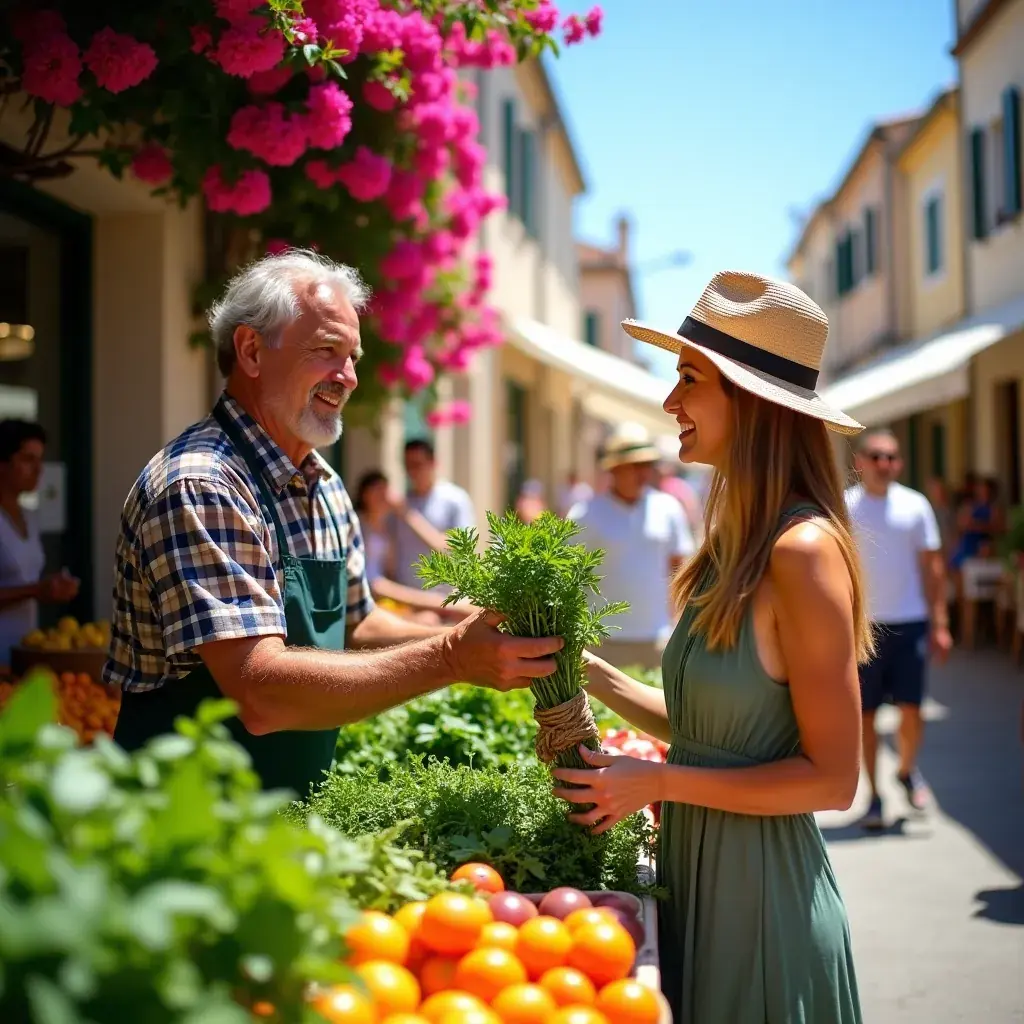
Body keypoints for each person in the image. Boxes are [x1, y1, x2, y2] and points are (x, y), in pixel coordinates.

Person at [104, 249, 562, 795]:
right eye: (327, 352)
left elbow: (356, 624)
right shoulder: (201, 485)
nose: (347, 378)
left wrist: (482, 639)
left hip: (289, 822)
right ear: (251, 350)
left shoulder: (321, 482)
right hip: (182, 827)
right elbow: (259, 692)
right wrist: (451, 657)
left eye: (353, 358)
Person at [552, 271, 867, 1023]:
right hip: (703, 889)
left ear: (751, 401)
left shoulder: (803, 552)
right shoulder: (734, 547)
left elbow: (834, 780)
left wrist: (655, 784)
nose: (669, 404)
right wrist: (582, 671)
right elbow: (713, 736)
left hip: (765, 913)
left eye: (689, 379)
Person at [847, 429, 952, 826]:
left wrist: (941, 623)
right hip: (865, 630)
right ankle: (874, 797)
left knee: (912, 711)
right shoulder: (845, 506)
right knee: (867, 717)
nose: (883, 464)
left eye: (891, 457)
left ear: (900, 463)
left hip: (910, 623)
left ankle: (906, 770)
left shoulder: (915, 505)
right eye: (875, 456)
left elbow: (933, 567)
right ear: (860, 462)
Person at [568, 422, 695, 670]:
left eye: (647, 465)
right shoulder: (584, 514)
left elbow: (680, 568)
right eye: (635, 466)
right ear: (614, 469)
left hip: (657, 638)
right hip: (602, 641)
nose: (643, 473)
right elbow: (570, 575)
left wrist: (680, 623)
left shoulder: (668, 508)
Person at [0, 419, 79, 666]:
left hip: (25, 652)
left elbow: (24, 576)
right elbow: (30, 587)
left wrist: (53, 585)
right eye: (27, 459)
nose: (38, 469)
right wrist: (37, 590)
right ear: (3, 463)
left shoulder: (29, 516)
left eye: (39, 460)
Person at [353, 469, 472, 624]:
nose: (385, 497)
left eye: (385, 491)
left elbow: (447, 548)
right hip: (373, 602)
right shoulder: (359, 526)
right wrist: (438, 603)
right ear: (365, 496)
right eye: (377, 492)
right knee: (430, 621)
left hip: (397, 598)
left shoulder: (388, 525)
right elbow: (375, 583)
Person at [391, 438, 476, 588]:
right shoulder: (402, 502)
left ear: (433, 463)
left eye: (417, 464)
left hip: (443, 599)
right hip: (406, 597)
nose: (412, 472)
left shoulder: (454, 499)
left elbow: (454, 549)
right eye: (408, 465)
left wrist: (409, 515)